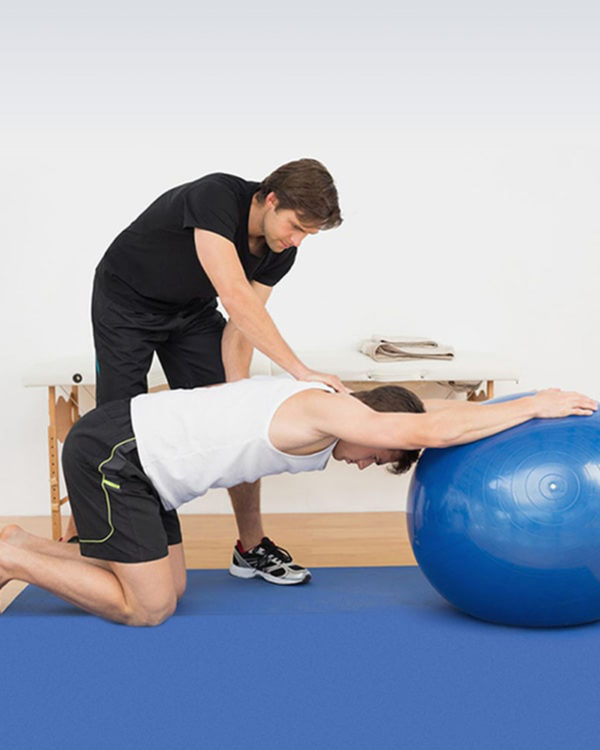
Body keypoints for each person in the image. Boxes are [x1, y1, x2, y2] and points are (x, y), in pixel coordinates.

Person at [1, 377, 595, 625]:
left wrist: (495, 411)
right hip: (119, 454)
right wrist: (532, 405)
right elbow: (427, 431)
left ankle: (19, 543)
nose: (367, 462)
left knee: (172, 588)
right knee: (148, 609)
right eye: (379, 455)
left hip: (148, 466)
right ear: (377, 421)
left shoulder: (338, 405)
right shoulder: (331, 411)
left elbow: (432, 416)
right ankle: (12, 561)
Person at [62, 158, 345, 584]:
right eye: (297, 226)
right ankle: (79, 542)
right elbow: (234, 296)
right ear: (271, 200)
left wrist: (237, 395)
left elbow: (239, 328)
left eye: (308, 234)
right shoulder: (215, 197)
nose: (298, 240)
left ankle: (250, 547)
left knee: (241, 425)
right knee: (114, 427)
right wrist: (300, 370)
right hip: (126, 302)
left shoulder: (279, 252)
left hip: (190, 314)